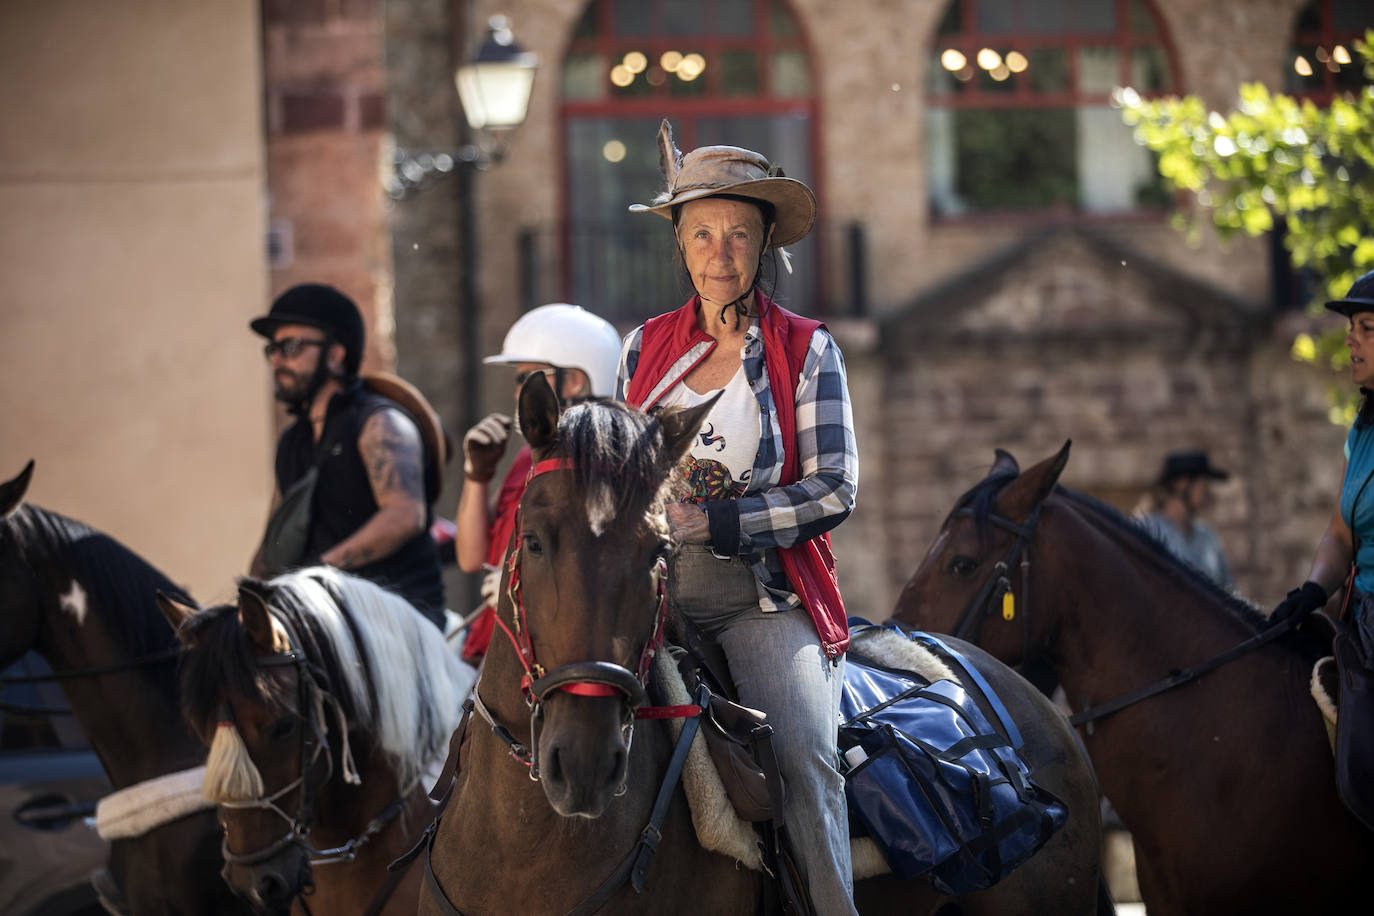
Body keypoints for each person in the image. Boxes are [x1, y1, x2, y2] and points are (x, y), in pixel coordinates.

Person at [618, 120, 859, 915]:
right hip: (650, 601)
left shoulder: (807, 348)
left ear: (762, 248)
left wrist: (719, 525)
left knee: (805, 755)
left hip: (755, 601)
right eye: (702, 234)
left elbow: (834, 489)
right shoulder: (641, 348)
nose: (719, 252)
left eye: (737, 235)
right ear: (682, 248)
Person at [248, 283, 446, 627]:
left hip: (399, 617)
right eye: (272, 349)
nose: (277, 358)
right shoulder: (292, 441)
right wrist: (249, 602)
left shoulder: (379, 423)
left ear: (336, 353)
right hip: (326, 617)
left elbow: (404, 515)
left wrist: (315, 574)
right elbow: (276, 534)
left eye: (291, 346)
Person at [454, 303, 623, 663]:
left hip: (539, 656)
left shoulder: (603, 461)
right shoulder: (523, 460)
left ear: (575, 380)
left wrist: (513, 583)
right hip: (490, 646)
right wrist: (477, 474)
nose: (518, 394)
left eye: (526, 379)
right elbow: (470, 559)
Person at [1271, 269, 1374, 648]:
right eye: (1352, 327)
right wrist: (1312, 590)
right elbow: (1340, 535)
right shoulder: (1361, 432)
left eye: (1367, 328)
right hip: (1360, 619)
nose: (1350, 339)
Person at [1138, 450, 1235, 590]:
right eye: (1204, 484)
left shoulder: (1207, 537)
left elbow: (1229, 591)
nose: (1208, 491)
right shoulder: (1148, 531)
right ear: (1183, 484)